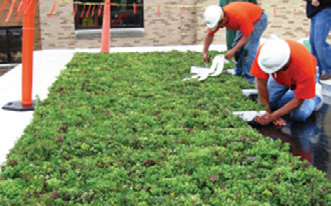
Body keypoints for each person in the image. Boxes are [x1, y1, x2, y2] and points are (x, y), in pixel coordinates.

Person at [251, 36, 323, 126]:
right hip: (279, 78)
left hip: (304, 78)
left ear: (285, 62)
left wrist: (273, 116)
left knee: (300, 115)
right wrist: (267, 113)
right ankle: (292, 93)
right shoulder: (265, 54)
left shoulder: (304, 66)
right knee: (269, 105)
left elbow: (299, 99)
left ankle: (315, 94)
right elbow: (261, 83)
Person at [203, 2, 267, 84]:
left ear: (224, 19)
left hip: (258, 19)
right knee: (236, 47)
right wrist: (205, 52)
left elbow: (247, 36)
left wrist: (232, 51)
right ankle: (239, 73)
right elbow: (210, 34)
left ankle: (250, 78)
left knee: (249, 48)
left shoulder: (238, 16)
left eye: (219, 24)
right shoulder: (218, 18)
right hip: (246, 20)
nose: (219, 27)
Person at [306, 0, 331, 80]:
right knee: (313, 43)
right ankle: (316, 72)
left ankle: (328, 70)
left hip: (325, 9)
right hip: (314, 11)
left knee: (319, 43)